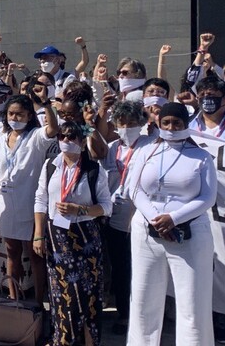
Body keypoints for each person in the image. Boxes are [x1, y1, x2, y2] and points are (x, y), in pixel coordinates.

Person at [126, 102, 217, 345]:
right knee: (144, 300)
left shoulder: (202, 156)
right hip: (147, 232)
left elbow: (208, 198)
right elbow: (133, 190)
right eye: (166, 122)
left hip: (189, 234)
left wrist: (174, 219)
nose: (171, 127)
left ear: (186, 125)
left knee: (192, 305)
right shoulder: (145, 152)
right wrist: (156, 219)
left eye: (177, 123)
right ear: (157, 123)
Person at [33, 121, 112, 346]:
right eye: (63, 137)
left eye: (72, 137)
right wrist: (39, 234)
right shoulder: (51, 165)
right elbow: (40, 199)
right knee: (60, 292)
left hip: (86, 236)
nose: (67, 141)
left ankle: (88, 339)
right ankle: (63, 338)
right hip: (57, 237)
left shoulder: (94, 169)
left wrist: (82, 210)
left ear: (81, 141)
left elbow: (107, 206)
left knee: (86, 292)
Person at [0, 93, 57, 305]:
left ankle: (38, 300)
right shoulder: (1, 140)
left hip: (29, 205)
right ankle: (13, 297)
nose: (15, 117)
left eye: (20, 114)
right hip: (6, 205)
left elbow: (53, 130)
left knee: (35, 255)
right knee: (11, 253)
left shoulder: (35, 136)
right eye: (11, 113)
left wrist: (46, 105)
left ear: (29, 115)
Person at [99, 100, 154, 335]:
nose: (127, 128)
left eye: (132, 123)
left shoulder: (150, 146)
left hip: (141, 218)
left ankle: (144, 316)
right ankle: (124, 313)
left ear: (141, 124)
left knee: (141, 270)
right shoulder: (112, 148)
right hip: (115, 218)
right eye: (122, 123)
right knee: (120, 269)